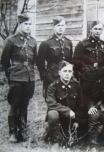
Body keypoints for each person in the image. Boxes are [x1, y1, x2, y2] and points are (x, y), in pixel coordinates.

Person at [1, 13, 37, 142]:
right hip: (16, 77)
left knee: (25, 105)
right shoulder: (11, 40)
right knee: (15, 105)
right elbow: (4, 61)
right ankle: (12, 133)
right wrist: (10, 75)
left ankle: (22, 131)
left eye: (29, 24)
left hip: (29, 78)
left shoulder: (33, 41)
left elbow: (34, 61)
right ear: (20, 25)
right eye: (25, 24)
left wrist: (31, 77)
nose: (28, 27)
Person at [45, 61, 87, 146]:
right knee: (53, 114)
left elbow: (81, 104)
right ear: (59, 72)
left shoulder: (76, 85)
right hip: (59, 117)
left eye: (70, 71)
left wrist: (77, 120)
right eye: (65, 71)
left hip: (72, 117)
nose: (67, 74)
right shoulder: (53, 86)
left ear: (72, 73)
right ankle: (55, 141)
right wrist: (67, 111)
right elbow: (51, 103)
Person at [73, 21, 104, 110]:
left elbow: (102, 63)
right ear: (91, 29)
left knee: (97, 100)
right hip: (86, 79)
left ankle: (96, 121)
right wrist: (81, 75)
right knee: (84, 102)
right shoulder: (82, 44)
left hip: (98, 78)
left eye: (100, 29)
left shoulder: (103, 44)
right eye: (95, 29)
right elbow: (76, 62)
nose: (97, 31)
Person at [37, 16, 73, 98]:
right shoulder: (46, 43)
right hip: (51, 77)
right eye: (58, 26)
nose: (61, 28)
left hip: (65, 77)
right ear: (54, 27)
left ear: (65, 27)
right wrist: (44, 75)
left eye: (62, 25)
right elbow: (40, 61)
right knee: (52, 100)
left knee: (65, 99)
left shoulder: (68, 42)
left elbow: (70, 60)